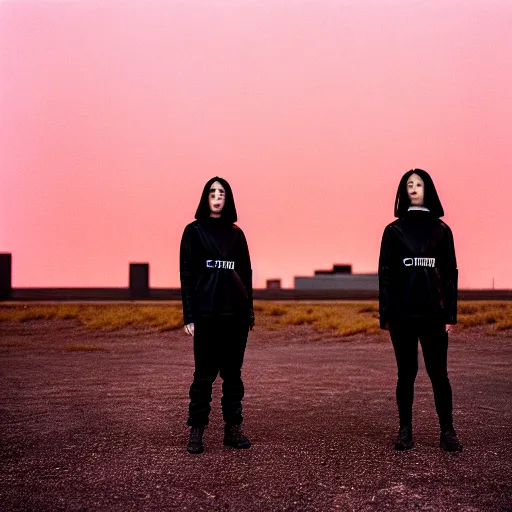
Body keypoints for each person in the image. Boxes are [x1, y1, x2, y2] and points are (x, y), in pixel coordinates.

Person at [378, 169, 463, 452]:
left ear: (428, 189)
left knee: (439, 374)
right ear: (403, 191)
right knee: (406, 373)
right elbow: (386, 274)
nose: (414, 188)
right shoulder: (394, 231)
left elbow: (450, 274)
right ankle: (405, 431)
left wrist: (450, 314)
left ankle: (448, 431)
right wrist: (386, 314)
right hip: (402, 315)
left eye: (419, 184)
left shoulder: (442, 230)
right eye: (409, 184)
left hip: (433, 314)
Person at [180, 177, 254, 454]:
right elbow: (186, 275)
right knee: (203, 376)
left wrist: (249, 312)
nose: (217, 196)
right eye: (212, 192)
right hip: (206, 312)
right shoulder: (193, 232)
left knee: (233, 376)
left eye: (222, 192)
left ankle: (233, 429)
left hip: (235, 314)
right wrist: (190, 315)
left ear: (228, 198)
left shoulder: (236, 234)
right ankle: (196, 431)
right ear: (205, 197)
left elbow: (246, 275)